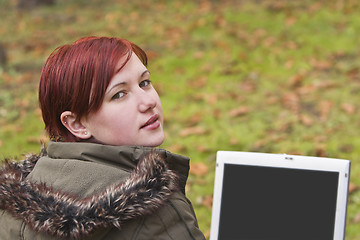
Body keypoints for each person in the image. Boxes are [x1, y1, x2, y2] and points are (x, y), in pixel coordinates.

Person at [0, 36, 206, 240]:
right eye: (119, 94)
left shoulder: (12, 209)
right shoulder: (158, 212)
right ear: (76, 124)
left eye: (144, 82)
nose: (148, 101)